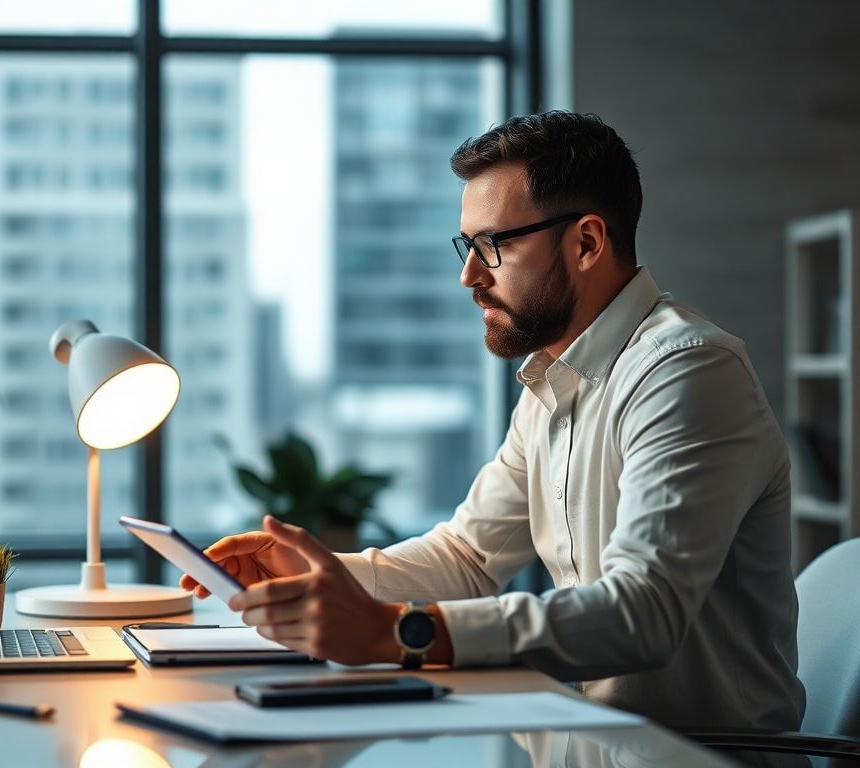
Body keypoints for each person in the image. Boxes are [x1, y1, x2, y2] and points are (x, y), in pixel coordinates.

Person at [180, 111, 805, 732]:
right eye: (467, 245)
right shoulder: (552, 381)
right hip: (589, 742)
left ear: (586, 242)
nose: (469, 276)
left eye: (493, 246)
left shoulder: (686, 372)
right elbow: (468, 559)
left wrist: (401, 633)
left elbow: (643, 613)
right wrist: (326, 572)